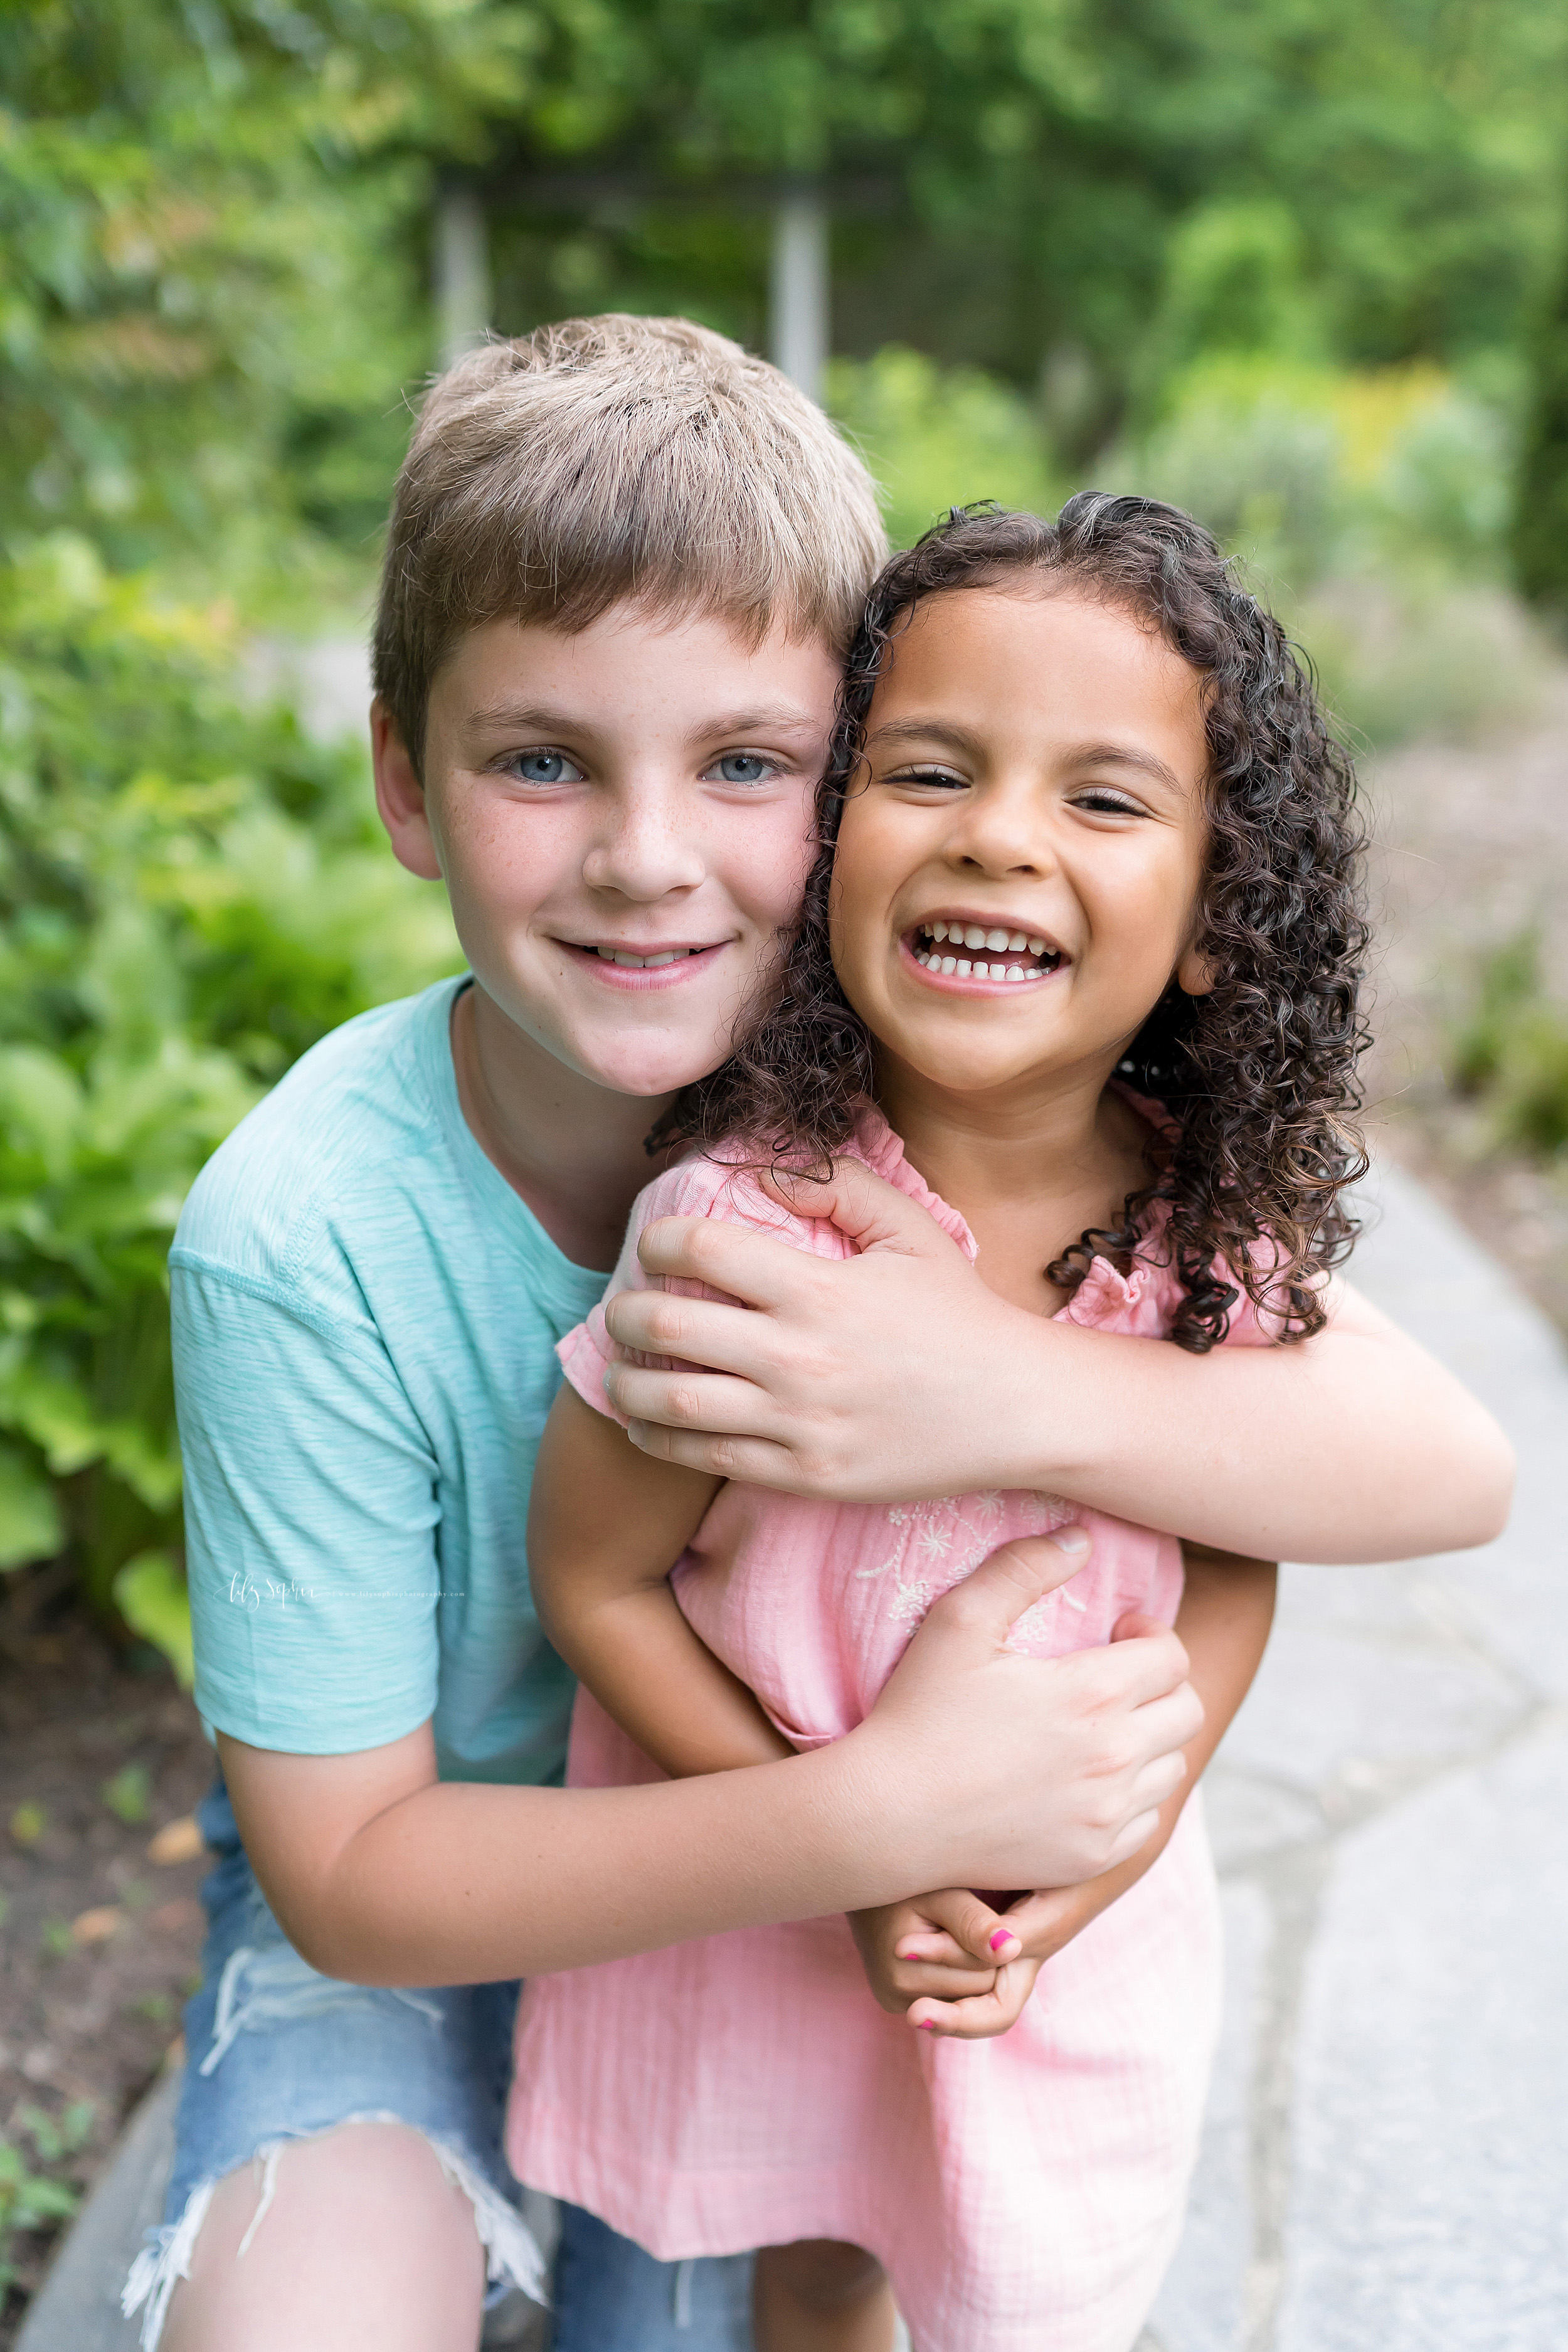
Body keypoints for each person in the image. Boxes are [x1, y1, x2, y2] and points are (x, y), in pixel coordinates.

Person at [130, 318, 1512, 2352]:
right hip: (442, 1902)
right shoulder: (331, 1237)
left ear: (834, 784)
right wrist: (881, 1823)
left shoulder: (1008, 1152)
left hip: (782, 1936)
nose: (646, 856)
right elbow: (356, 1867)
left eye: (750, 764)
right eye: (539, 757)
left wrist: (989, 1387)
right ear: (403, 785)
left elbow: (1429, 1471)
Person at [505, 495, 1490, 2352]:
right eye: (928, 769)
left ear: (1213, 925)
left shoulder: (1212, 1250)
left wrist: (1094, 1864)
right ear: (823, 847)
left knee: (1013, 2281)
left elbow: (1225, 1580)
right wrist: (842, 1842)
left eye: (1102, 801)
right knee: (817, 2264)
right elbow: (596, 1578)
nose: (998, 839)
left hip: (1053, 1938)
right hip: (773, 1901)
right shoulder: (745, 1236)